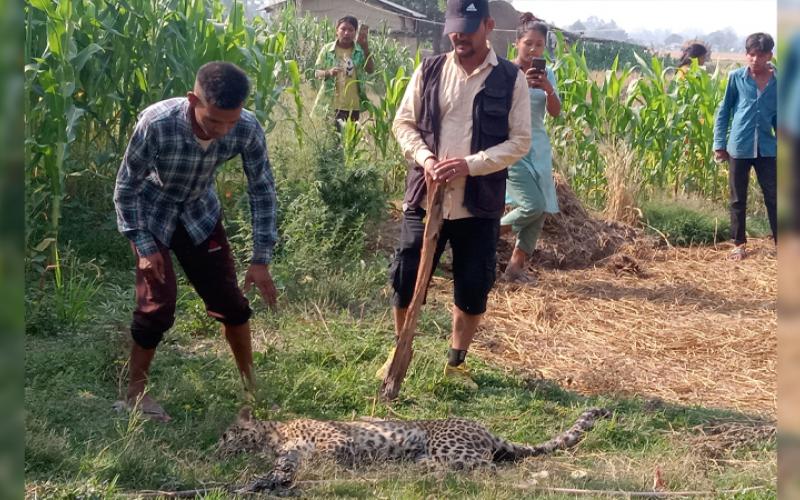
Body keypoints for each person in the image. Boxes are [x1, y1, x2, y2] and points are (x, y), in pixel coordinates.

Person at [113, 61, 278, 422]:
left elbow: (262, 190)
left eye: (230, 122)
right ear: (192, 100)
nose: (222, 131)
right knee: (157, 307)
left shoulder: (246, 128)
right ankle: (134, 395)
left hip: (200, 215)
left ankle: (253, 389)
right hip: (152, 214)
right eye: (213, 121)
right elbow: (126, 188)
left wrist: (261, 258)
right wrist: (142, 244)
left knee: (232, 305)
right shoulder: (157, 124)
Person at [380, 0, 531, 389]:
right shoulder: (429, 69)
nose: (458, 35)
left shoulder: (510, 78)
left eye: (467, 26)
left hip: (478, 202)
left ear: (489, 26)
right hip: (425, 196)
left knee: (473, 283)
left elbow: (519, 142)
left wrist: (471, 163)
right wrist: (425, 157)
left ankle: (456, 363)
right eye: (453, 27)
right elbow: (403, 123)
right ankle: (401, 349)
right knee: (406, 273)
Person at [499, 14, 561, 283]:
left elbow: (555, 112)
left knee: (542, 207)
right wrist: (521, 86)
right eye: (528, 44)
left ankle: (515, 267)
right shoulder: (504, 72)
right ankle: (487, 231)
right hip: (512, 145)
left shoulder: (549, 74)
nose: (534, 50)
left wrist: (548, 88)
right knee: (532, 204)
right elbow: (496, 111)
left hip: (539, 146)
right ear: (517, 44)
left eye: (539, 45)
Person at [713, 32, 777, 260]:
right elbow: (724, 112)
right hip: (739, 146)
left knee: (774, 195)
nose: (755, 60)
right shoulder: (736, 78)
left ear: (769, 55)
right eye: (751, 55)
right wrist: (719, 143)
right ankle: (738, 244)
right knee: (738, 198)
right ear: (746, 54)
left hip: (768, 149)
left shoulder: (778, 81)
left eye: (760, 55)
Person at [313, 16, 374, 126]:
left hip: (353, 107)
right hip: (331, 106)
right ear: (337, 30)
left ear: (355, 32)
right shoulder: (327, 50)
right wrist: (328, 72)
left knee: (349, 142)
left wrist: (365, 48)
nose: (346, 33)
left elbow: (370, 70)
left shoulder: (360, 51)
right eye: (343, 29)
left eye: (351, 30)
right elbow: (316, 73)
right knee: (333, 141)